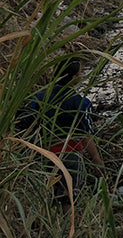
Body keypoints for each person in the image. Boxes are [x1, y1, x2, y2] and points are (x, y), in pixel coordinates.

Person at [20, 58, 104, 200]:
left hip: (42, 155)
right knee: (68, 196)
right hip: (69, 155)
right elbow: (84, 134)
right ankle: (68, 221)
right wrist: (96, 158)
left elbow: (28, 126)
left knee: (46, 195)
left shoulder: (39, 98)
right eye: (80, 74)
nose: (82, 76)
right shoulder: (80, 102)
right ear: (73, 78)